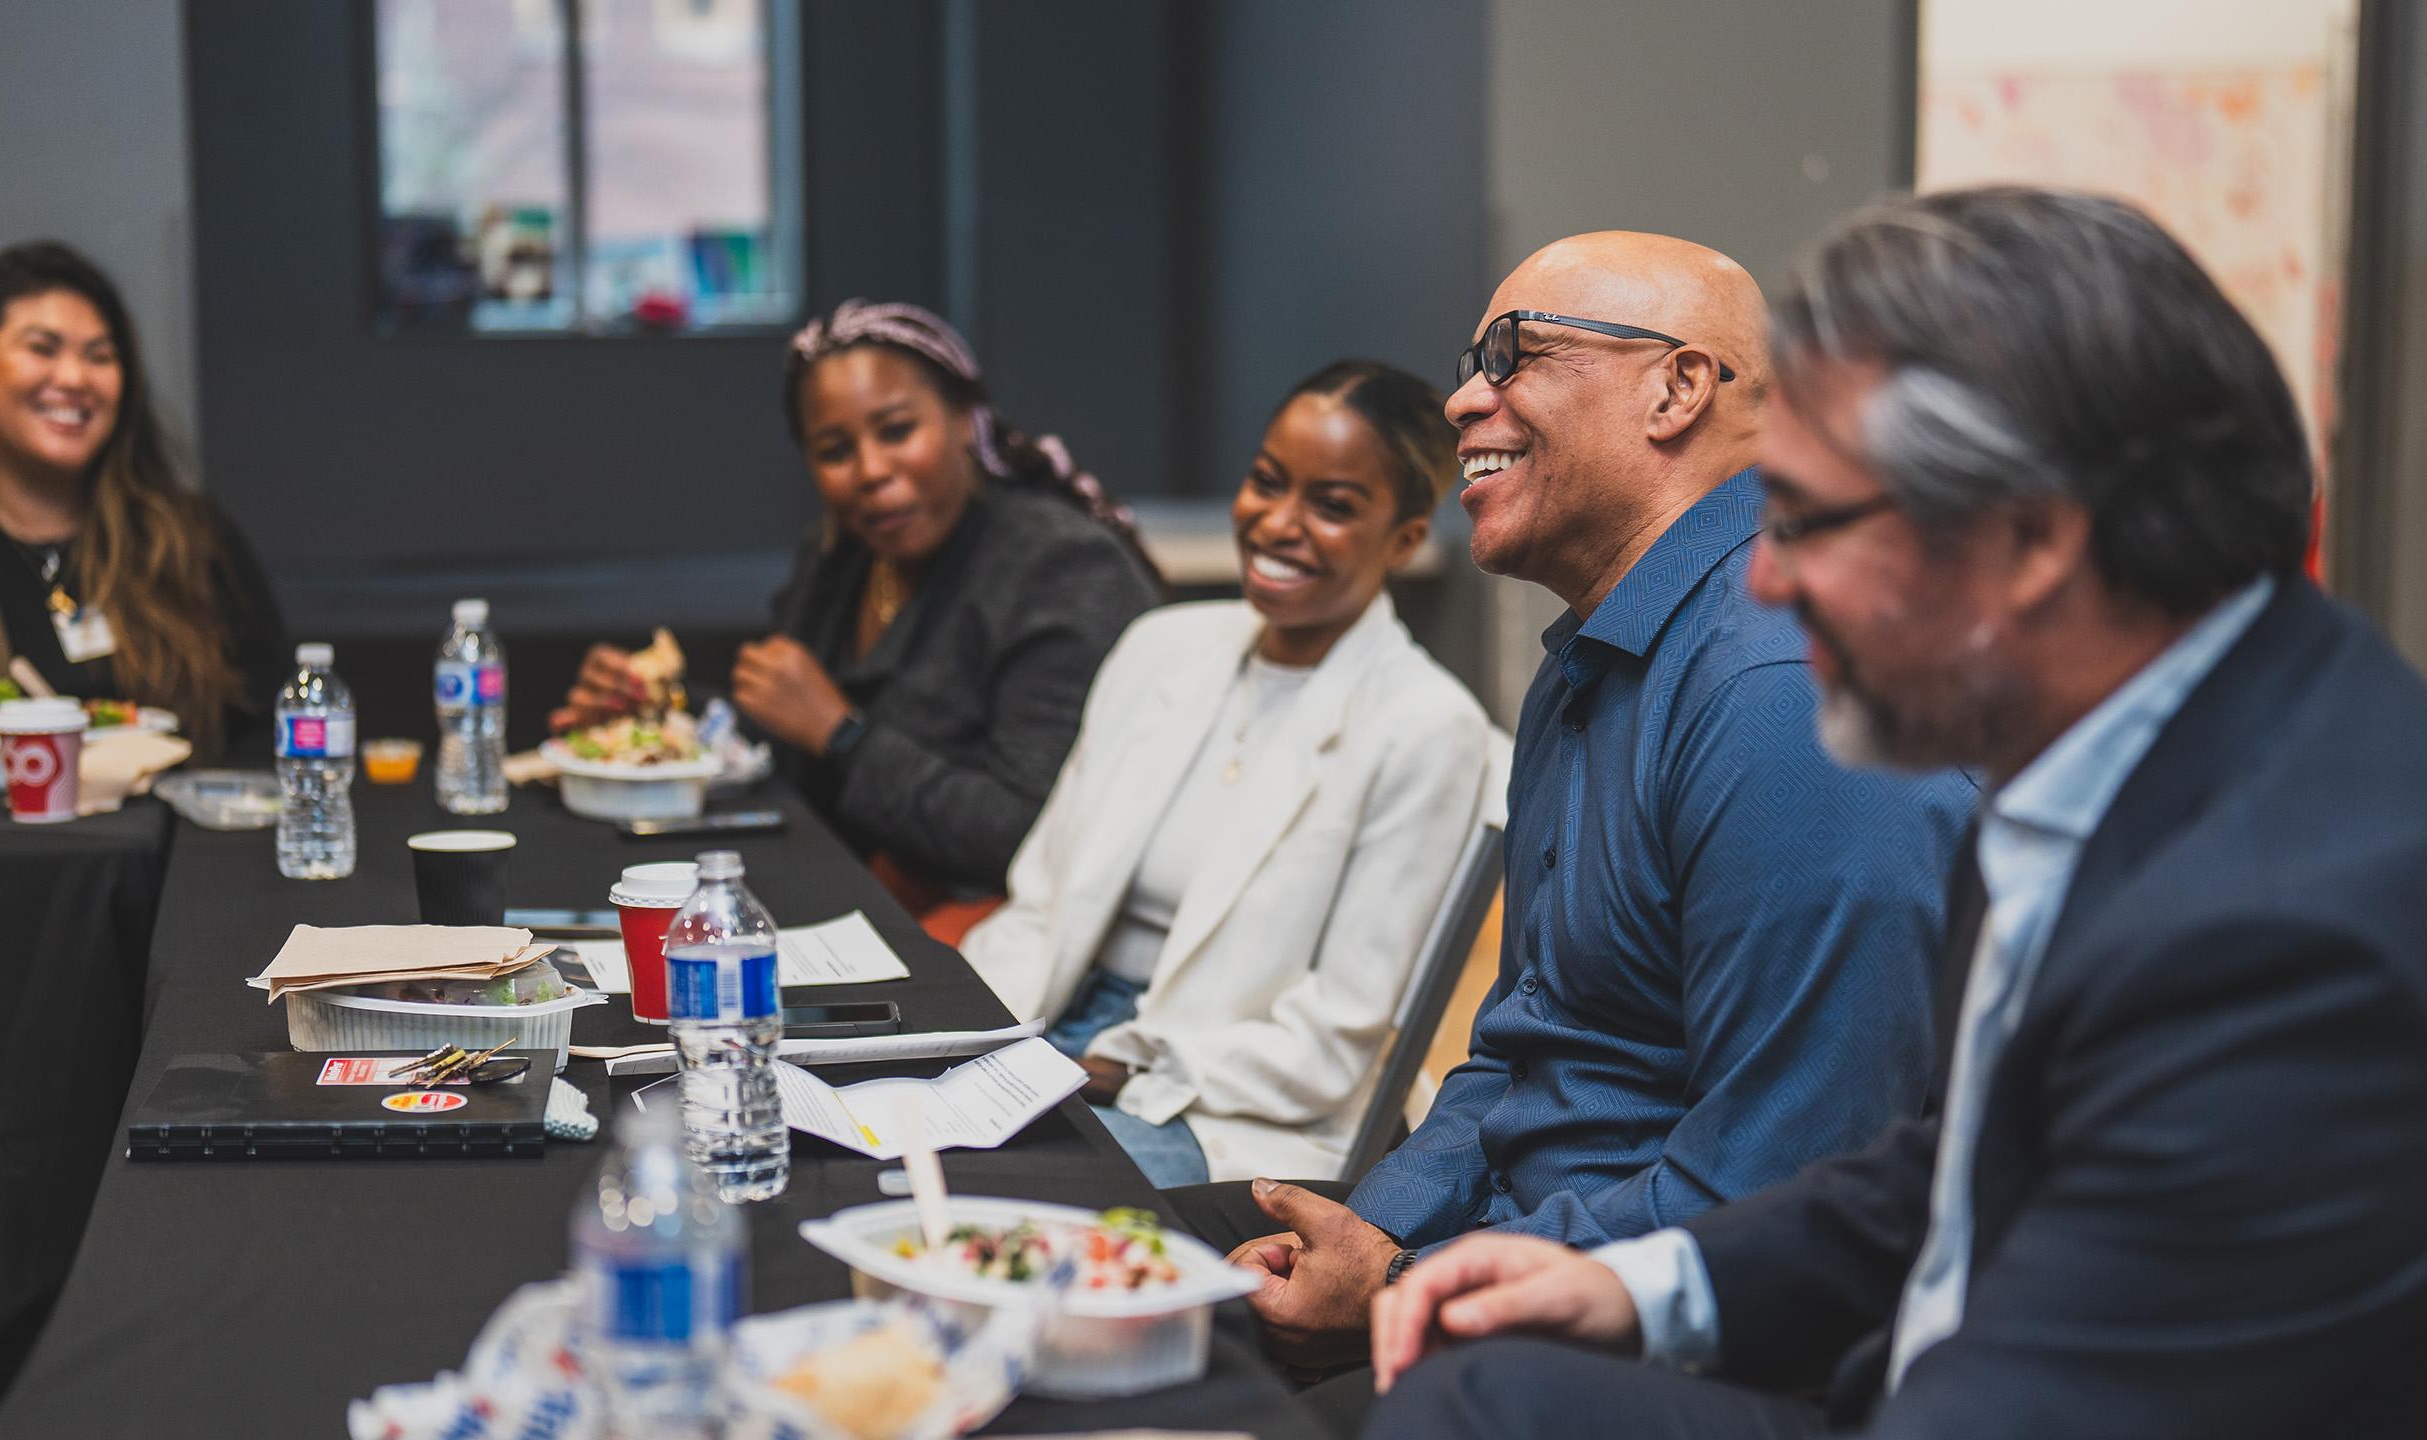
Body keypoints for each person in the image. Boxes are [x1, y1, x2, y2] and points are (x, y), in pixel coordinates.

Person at [1365, 188, 2427, 1440]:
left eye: (1808, 521)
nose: (1762, 573)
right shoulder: (2110, 741)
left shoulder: (2283, 934)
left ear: (2025, 542)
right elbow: (1953, 1174)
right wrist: (1634, 1284)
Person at [1160, 232, 1976, 1407]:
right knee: (1100, 1239)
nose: (1460, 399)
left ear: (1677, 388)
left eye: (1514, 354)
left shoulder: (1784, 695)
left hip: (1695, 1354)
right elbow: (1520, 1052)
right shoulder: (1592, 659)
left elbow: (1773, 1201)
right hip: (1526, 1258)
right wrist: (1364, 1235)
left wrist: (1406, 1289)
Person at [962, 360, 1499, 1189]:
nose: (1279, 523)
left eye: (1333, 506)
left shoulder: (1427, 728)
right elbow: (1040, 899)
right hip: (1055, 1026)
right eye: (1266, 482)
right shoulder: (1161, 647)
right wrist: (967, 1042)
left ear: (1405, 539)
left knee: (1008, 1188)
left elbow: (1330, 1042)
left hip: (1231, 1107)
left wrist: (1114, 1066)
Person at [553, 301, 1161, 939]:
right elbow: (783, 734)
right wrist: (655, 712)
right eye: (835, 450)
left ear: (963, 419)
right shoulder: (846, 552)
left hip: (1005, 941)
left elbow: (1031, 837)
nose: (870, 472)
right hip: (846, 904)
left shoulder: (1060, 569)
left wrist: (842, 734)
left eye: (897, 431)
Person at [0, 241, 287, 760]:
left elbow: (271, 726)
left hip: (179, 837)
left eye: (101, 356)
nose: (75, 379)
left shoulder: (188, 536)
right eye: (42, 349)